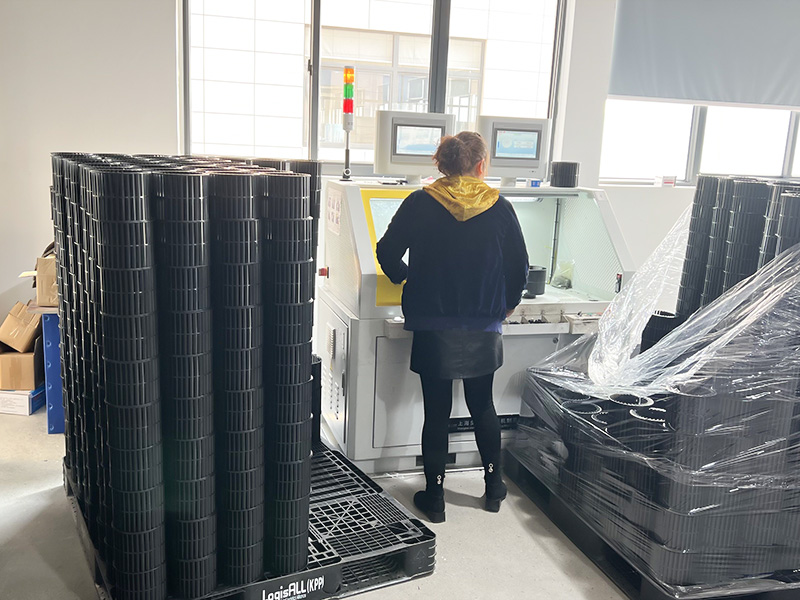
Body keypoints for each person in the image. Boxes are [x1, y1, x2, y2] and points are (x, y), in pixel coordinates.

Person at [376, 131, 529, 523]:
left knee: (437, 412)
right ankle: (493, 487)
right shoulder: (499, 206)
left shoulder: (419, 202)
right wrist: (507, 304)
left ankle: (435, 496)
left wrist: (407, 278)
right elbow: (519, 267)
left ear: (441, 164)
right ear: (481, 165)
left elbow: (386, 251)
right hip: (483, 322)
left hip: (432, 322)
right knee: (483, 406)